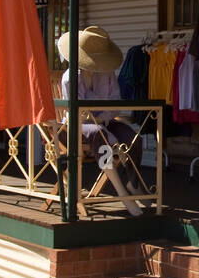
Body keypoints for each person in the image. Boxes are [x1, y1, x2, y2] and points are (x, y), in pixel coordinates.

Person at [55, 26, 145, 215]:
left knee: (134, 137)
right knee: (100, 135)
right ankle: (121, 193)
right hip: (74, 128)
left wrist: (100, 116)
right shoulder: (69, 78)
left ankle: (133, 183)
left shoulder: (108, 74)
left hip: (104, 122)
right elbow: (76, 114)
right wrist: (98, 118)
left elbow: (115, 104)